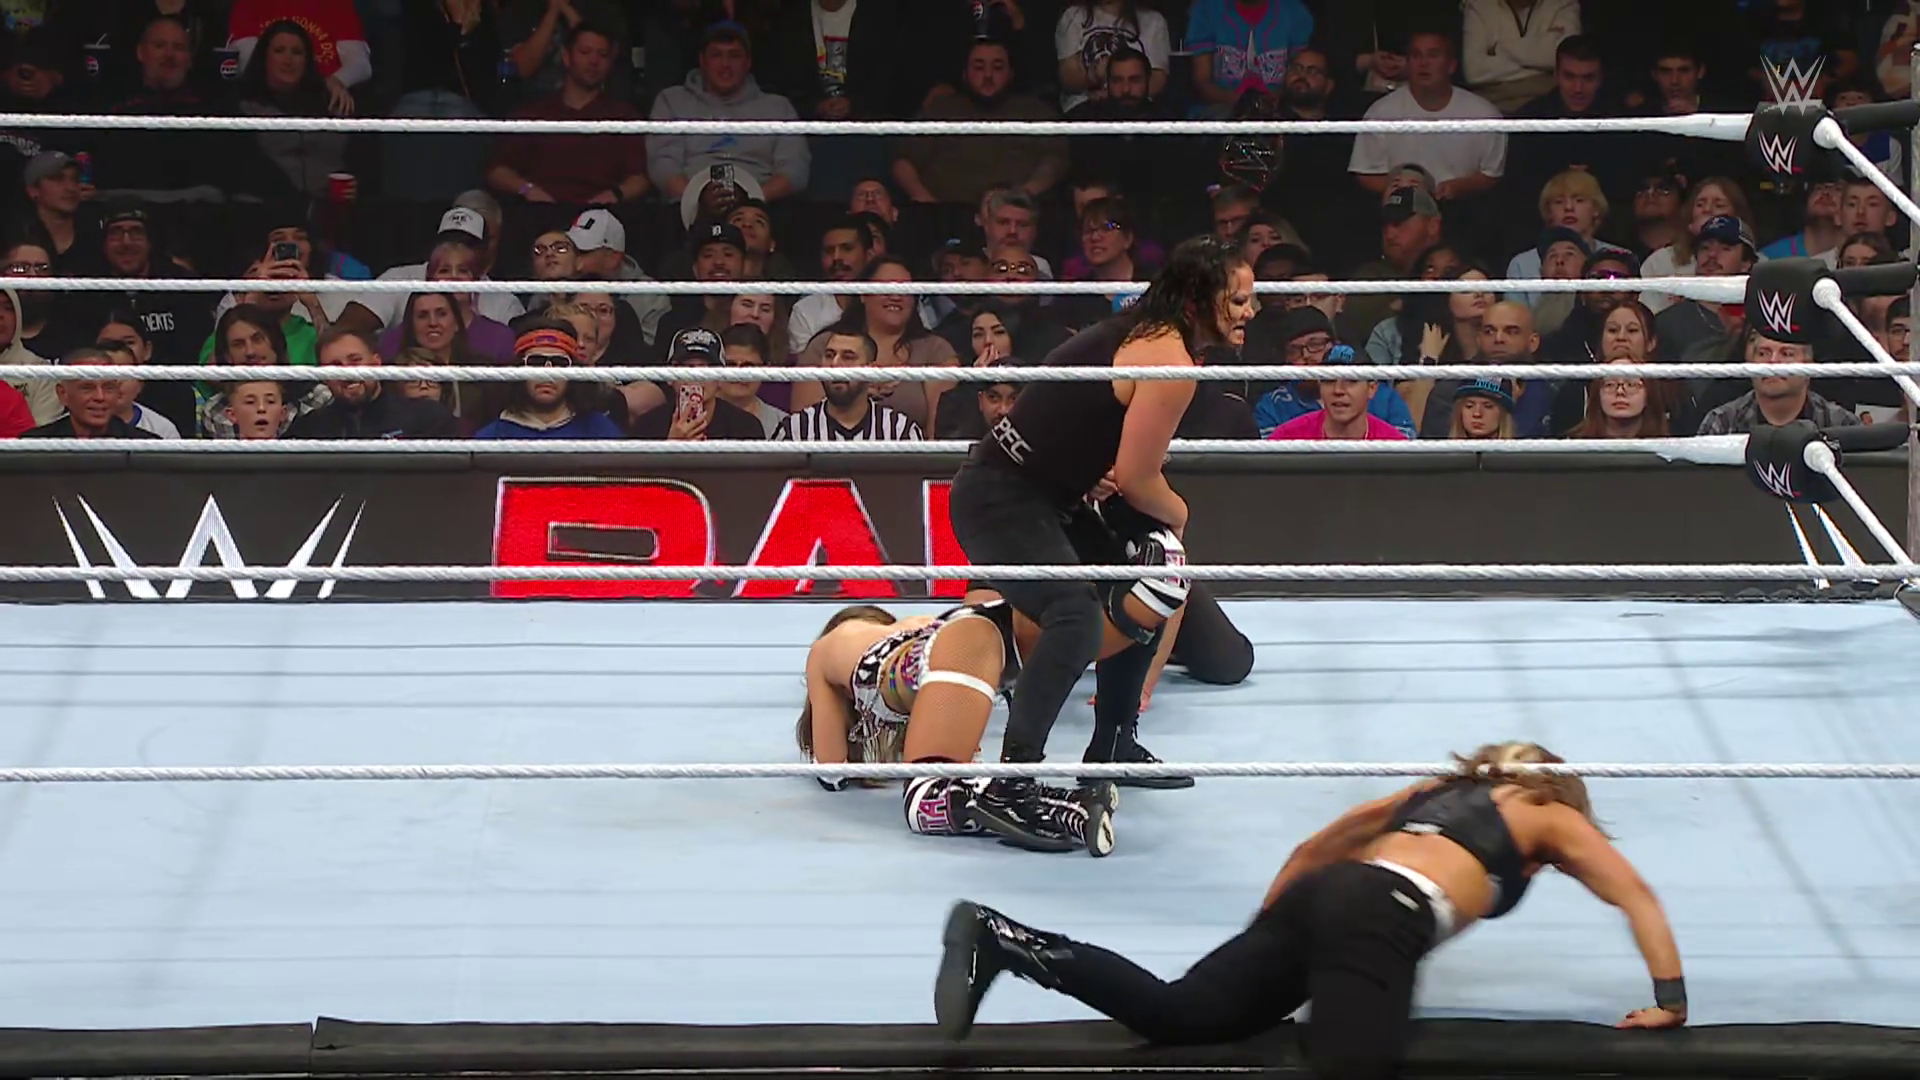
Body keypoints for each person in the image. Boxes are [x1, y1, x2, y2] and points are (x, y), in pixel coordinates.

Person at [936, 741, 1688, 1073]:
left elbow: (1310, 852)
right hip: (1383, 913)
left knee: (1180, 1014)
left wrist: (1268, 942)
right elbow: (1636, 894)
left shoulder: (1425, 795)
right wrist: (1670, 1001)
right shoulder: (1548, 811)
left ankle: (1005, 938)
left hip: (1321, 897)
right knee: (1354, 1066)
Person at [945, 236, 1254, 846]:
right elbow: (1139, 480)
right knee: (1076, 618)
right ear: (1199, 299)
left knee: (1151, 575)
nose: (1251, 310)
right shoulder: (1168, 362)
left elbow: (1108, 456)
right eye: (1239, 299)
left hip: (1047, 494)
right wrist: (1180, 513)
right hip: (1001, 498)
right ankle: (1011, 785)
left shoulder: (1145, 331)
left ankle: (1113, 745)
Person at [798, 548, 1187, 855]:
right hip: (978, 629)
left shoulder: (826, 649)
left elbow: (832, 770)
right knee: (1100, 621)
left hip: (938, 654)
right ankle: (1148, 590)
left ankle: (1061, 804)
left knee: (926, 800)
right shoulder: (905, 625)